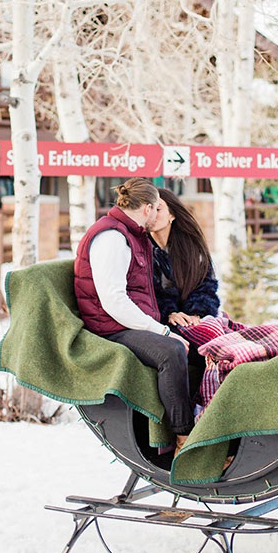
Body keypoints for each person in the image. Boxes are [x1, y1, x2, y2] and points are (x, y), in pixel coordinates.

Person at [73, 178, 194, 454]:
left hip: (125, 322)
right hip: (110, 327)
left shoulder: (131, 234)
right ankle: (183, 439)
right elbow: (113, 301)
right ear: (148, 209)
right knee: (171, 351)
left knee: (194, 341)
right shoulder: (111, 238)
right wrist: (161, 331)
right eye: (158, 209)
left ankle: (206, 423)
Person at [150, 188, 220, 330]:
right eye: (149, 209)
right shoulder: (139, 249)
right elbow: (144, 293)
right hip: (156, 322)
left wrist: (197, 314)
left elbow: (205, 286)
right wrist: (169, 313)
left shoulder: (191, 248)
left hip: (191, 319)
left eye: (158, 209)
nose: (152, 215)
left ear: (172, 215)